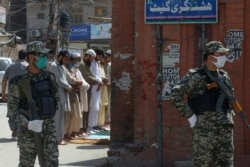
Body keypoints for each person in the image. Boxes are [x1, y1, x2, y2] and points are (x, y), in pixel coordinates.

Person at [169, 41, 234, 167]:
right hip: (205, 129)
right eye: (220, 54)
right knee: (201, 163)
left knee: (226, 164)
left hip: (225, 129)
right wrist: (190, 116)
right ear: (210, 57)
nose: (224, 57)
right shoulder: (197, 76)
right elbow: (175, 94)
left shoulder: (224, 76)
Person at [7, 41, 59, 166]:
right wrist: (29, 124)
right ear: (31, 57)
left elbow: (56, 100)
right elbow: (13, 110)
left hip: (48, 131)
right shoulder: (18, 82)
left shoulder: (49, 78)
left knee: (52, 163)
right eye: (42, 55)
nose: (45, 59)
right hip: (28, 133)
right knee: (27, 164)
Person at [1, 50, 28, 137]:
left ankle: (14, 129)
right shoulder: (27, 67)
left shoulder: (10, 66)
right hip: (23, 95)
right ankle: (20, 130)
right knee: (22, 112)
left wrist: (3, 93)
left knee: (12, 113)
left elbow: (4, 80)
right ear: (25, 57)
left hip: (12, 94)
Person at [50, 50, 72, 145]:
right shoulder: (54, 66)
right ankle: (57, 139)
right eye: (65, 59)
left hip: (63, 93)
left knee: (62, 117)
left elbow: (64, 80)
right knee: (57, 117)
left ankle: (60, 137)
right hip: (57, 94)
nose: (66, 61)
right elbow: (58, 80)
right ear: (60, 56)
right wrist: (68, 87)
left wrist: (67, 87)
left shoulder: (61, 66)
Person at [78, 49, 103, 134]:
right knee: (84, 108)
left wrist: (98, 81)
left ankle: (86, 128)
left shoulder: (87, 64)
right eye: (91, 58)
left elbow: (92, 75)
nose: (92, 60)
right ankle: (84, 128)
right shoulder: (82, 65)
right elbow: (87, 77)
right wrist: (98, 82)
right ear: (87, 56)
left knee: (87, 108)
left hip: (88, 89)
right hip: (83, 89)